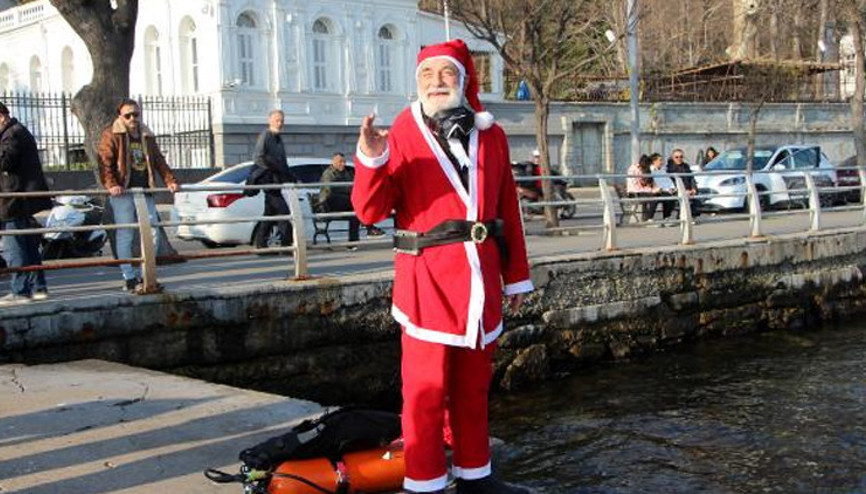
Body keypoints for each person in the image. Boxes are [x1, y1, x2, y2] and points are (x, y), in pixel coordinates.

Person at [352, 40, 533, 494]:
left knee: (473, 389)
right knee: (424, 396)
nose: (436, 82)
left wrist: (516, 277)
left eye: (446, 73)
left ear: (464, 79)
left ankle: (476, 476)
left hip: (479, 282)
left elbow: (507, 208)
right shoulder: (402, 131)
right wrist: (372, 158)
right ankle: (425, 483)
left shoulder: (492, 135)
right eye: (427, 74)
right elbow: (370, 212)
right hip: (426, 283)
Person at [97, 99, 179, 292]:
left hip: (144, 189)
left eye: (136, 114)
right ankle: (129, 277)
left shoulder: (146, 135)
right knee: (125, 232)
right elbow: (105, 161)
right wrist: (112, 184)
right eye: (128, 115)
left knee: (153, 230)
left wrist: (170, 180)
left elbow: (159, 160)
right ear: (120, 117)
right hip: (123, 191)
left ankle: (146, 274)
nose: (133, 118)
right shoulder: (112, 134)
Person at [0, 101, 51, 304]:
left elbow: (5, 162)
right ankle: (39, 287)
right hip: (20, 197)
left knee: (16, 245)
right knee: (28, 245)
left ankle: (20, 290)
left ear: (2, 115)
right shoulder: (17, 131)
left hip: (14, 199)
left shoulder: (12, 134)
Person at [318, 152, 384, 249]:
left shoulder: (347, 173)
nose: (343, 164)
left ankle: (352, 243)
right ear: (333, 162)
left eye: (344, 162)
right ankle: (370, 227)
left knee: (355, 214)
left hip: (347, 203)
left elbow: (356, 185)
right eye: (340, 162)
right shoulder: (329, 173)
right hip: (330, 203)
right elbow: (329, 191)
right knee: (355, 203)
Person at [251, 109, 296, 251]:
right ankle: (286, 244)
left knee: (269, 214)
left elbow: (282, 162)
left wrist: (291, 178)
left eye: (282, 120)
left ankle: (261, 245)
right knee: (284, 212)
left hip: (277, 182)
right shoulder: (266, 135)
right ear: (269, 121)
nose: (280, 123)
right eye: (277, 120)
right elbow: (258, 157)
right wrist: (272, 169)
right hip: (270, 181)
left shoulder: (278, 138)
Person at [666, 148, 701, 217]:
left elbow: (691, 179)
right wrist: (683, 191)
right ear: (672, 158)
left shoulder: (686, 167)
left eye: (681, 157)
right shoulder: (669, 169)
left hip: (688, 190)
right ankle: (681, 217)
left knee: (697, 202)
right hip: (677, 191)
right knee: (685, 200)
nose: (679, 159)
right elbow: (670, 183)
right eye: (676, 157)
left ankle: (689, 217)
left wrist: (694, 189)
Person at [625, 154, 657, 222]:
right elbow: (637, 187)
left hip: (640, 192)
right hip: (634, 193)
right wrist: (651, 190)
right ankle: (649, 218)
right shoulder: (633, 170)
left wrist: (652, 189)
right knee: (654, 199)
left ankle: (649, 217)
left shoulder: (642, 170)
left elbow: (644, 185)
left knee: (658, 195)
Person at [648, 152, 676, 221]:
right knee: (663, 196)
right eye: (660, 160)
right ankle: (650, 218)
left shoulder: (662, 170)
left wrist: (672, 188)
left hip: (664, 190)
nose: (662, 162)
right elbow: (655, 183)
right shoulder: (650, 171)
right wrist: (666, 189)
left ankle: (666, 218)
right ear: (654, 161)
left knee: (670, 197)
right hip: (655, 191)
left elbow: (668, 181)